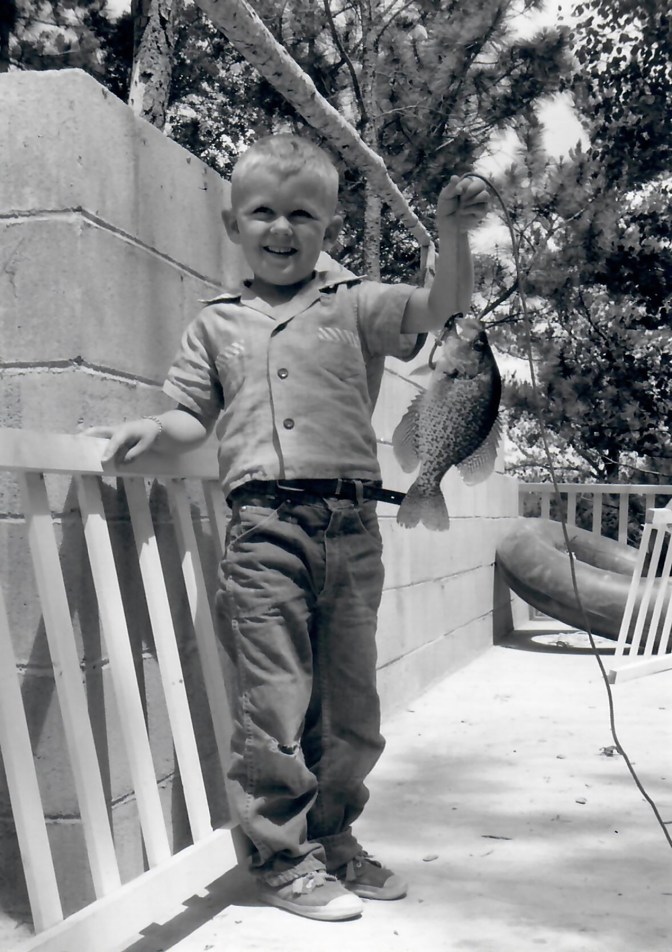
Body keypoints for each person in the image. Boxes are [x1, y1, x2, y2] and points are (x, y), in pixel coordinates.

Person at [88, 134, 489, 922]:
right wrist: (151, 428)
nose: (281, 228)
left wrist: (452, 233)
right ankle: (281, 852)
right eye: (262, 212)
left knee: (350, 705)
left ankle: (335, 838)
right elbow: (187, 415)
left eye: (301, 213)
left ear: (329, 225)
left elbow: (439, 307)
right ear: (233, 224)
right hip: (265, 530)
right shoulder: (216, 326)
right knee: (274, 700)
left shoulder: (356, 304)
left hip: (349, 526)